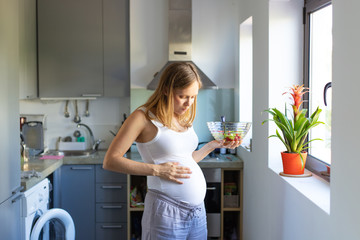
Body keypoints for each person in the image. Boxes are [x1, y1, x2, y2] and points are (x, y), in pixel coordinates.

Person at [103, 62, 241, 239]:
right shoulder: (142, 117)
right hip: (165, 213)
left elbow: (186, 160)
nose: (188, 103)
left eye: (193, 97)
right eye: (183, 96)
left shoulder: (182, 117)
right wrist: (158, 170)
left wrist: (213, 145)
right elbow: (111, 160)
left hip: (198, 213)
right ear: (166, 89)